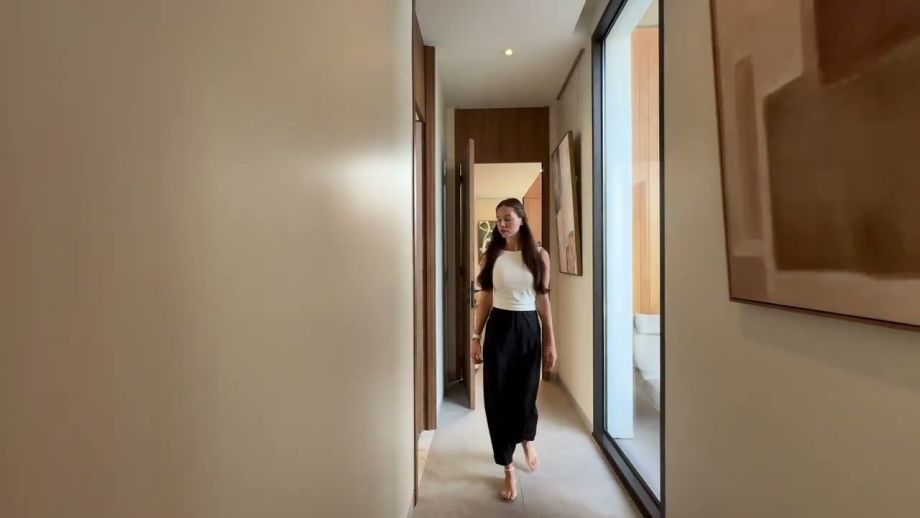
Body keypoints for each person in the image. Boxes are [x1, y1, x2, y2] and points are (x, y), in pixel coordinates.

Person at [471, 198, 558, 502]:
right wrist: (475, 336)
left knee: (525, 394)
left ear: (522, 218)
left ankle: (526, 438)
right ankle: (507, 466)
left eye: (507, 218)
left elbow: (543, 299)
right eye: (498, 220)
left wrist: (550, 341)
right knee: (496, 397)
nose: (502, 224)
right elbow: (485, 298)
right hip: (499, 328)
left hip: (528, 329)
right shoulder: (491, 256)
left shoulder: (539, 255)